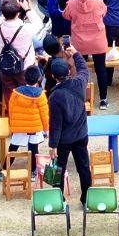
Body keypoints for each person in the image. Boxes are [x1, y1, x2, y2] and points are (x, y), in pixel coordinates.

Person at [48, 46, 91, 203]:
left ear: (53, 76)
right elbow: (84, 69)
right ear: (68, 71)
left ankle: (58, 199)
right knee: (84, 167)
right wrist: (76, 54)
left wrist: (53, 145)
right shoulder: (79, 82)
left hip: (63, 139)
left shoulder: (55, 96)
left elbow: (56, 124)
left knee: (59, 169)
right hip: (81, 134)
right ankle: (87, 197)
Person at [59, 0, 108, 103]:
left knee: (80, 69)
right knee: (101, 68)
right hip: (98, 41)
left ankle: (81, 97)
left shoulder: (72, 3)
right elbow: (104, 12)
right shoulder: (98, 1)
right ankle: (103, 99)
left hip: (79, 42)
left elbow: (66, 15)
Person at [0, 64, 49, 180]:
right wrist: (46, 129)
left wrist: (12, 125)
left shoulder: (16, 93)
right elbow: (44, 114)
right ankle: (33, 172)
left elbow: (11, 110)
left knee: (13, 148)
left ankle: (4, 170)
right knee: (34, 149)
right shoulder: (41, 95)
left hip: (19, 127)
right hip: (35, 127)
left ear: (24, 77)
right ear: (38, 78)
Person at [0, 0, 38, 106]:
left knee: (10, 95)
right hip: (24, 67)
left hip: (6, 67)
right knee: (27, 96)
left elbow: (2, 17)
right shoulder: (25, 29)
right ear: (18, 13)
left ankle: (12, 111)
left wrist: (8, 7)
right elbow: (38, 24)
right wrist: (27, 8)